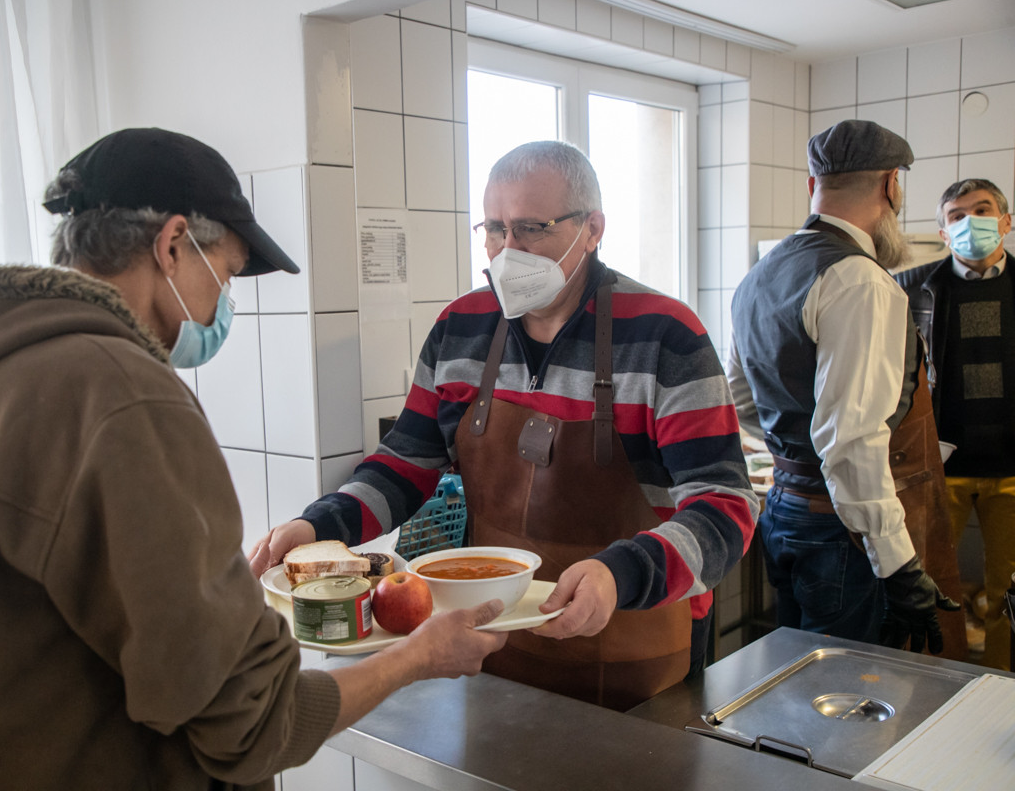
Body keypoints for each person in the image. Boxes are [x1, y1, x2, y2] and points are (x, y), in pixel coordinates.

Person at [0, 128, 507, 791]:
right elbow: (255, 724)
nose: (224, 302)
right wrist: (416, 657)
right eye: (225, 273)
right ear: (171, 244)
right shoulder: (123, 397)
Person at [250, 140, 760, 712]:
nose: (508, 250)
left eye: (531, 229)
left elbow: (725, 506)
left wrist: (622, 575)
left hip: (636, 646)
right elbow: (404, 465)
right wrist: (319, 526)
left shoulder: (665, 335)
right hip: (486, 642)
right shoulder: (460, 328)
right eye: (495, 229)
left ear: (592, 229)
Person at [728, 119, 963, 657]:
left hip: (784, 510)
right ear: (891, 186)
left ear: (813, 185)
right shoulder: (859, 280)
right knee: (846, 686)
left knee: (798, 674)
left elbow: (742, 400)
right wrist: (898, 565)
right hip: (841, 531)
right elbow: (850, 441)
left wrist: (796, 451)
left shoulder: (759, 275)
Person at [894, 178, 1014, 670]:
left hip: (1012, 468)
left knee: (1008, 591)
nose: (970, 223)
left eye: (982, 211)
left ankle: (1003, 686)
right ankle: (934, 683)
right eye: (957, 216)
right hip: (937, 467)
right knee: (930, 584)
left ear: (1005, 221)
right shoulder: (909, 289)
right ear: (943, 233)